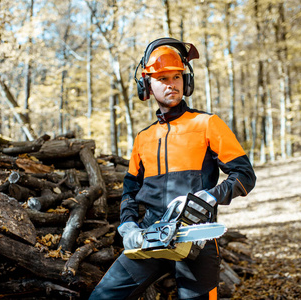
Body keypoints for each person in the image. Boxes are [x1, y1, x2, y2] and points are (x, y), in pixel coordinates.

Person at [89, 37, 256, 300]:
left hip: (196, 238)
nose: (171, 84)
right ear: (147, 85)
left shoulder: (207, 124)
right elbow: (130, 192)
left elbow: (244, 175)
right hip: (149, 236)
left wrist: (212, 195)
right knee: (103, 297)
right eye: (163, 78)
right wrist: (128, 226)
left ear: (186, 82)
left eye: (176, 77)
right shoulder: (143, 138)